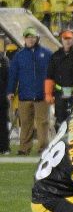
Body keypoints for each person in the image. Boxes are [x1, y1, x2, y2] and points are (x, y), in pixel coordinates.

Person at [6, 26, 51, 155]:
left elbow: (53, 74)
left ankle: (43, 149)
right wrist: (10, 91)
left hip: (42, 95)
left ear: (37, 38)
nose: (30, 40)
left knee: (43, 123)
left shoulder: (47, 54)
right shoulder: (19, 56)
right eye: (28, 37)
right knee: (25, 123)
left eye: (32, 37)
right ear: (24, 39)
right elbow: (13, 75)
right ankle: (24, 149)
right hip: (24, 95)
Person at [0, 38, 8, 154]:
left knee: (2, 122)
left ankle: (4, 147)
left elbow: (7, 78)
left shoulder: (3, 59)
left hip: (1, 96)